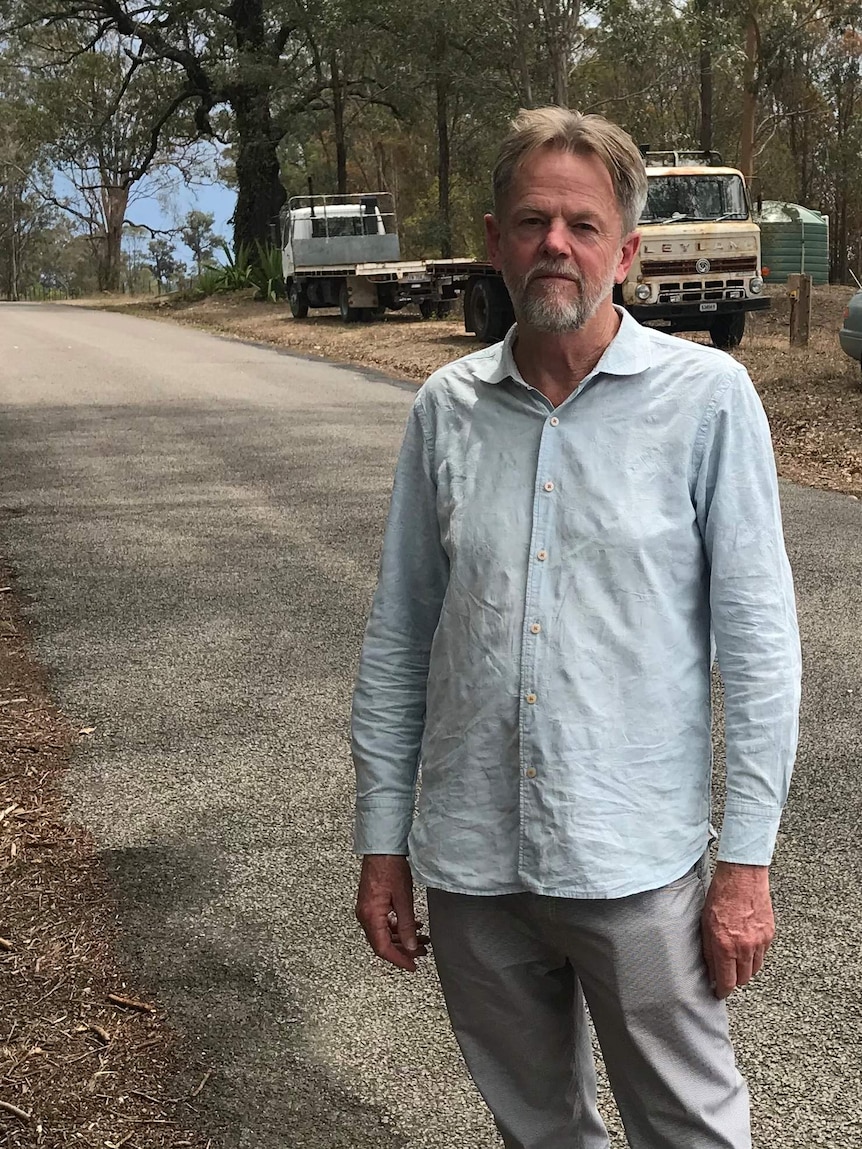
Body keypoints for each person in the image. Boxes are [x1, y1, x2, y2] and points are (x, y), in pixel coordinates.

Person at [351, 106, 802, 1149]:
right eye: (531, 221)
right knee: (536, 1131)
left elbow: (761, 647)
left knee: (688, 1128)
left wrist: (745, 865)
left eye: (583, 225)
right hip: (472, 867)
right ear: (494, 240)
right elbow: (397, 639)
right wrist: (383, 844)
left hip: (632, 864)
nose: (556, 243)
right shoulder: (444, 411)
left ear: (625, 250)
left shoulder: (706, 401)